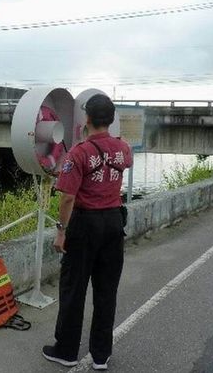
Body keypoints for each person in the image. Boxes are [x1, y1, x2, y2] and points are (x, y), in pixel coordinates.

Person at [42, 94, 132, 371]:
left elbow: (68, 197)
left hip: (85, 224)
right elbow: (114, 168)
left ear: (87, 119)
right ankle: (101, 355)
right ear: (111, 119)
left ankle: (67, 351)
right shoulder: (123, 149)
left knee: (74, 289)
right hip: (114, 223)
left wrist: (61, 231)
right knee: (107, 291)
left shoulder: (78, 153)